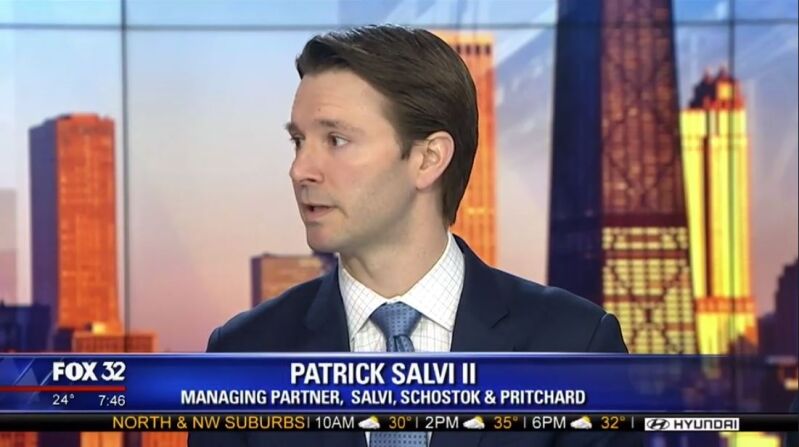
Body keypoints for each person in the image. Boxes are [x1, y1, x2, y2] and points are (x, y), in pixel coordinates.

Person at [189, 24, 641, 447]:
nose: (300, 170)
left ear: (428, 159)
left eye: (336, 140)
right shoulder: (243, 355)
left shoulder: (575, 345)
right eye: (298, 142)